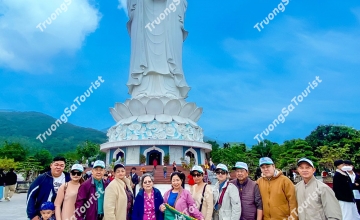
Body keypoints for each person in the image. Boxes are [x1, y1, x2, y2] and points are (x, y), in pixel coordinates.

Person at [126, 0, 190, 99]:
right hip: (143, 9)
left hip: (169, 10)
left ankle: (170, 88)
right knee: (143, 53)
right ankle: (141, 88)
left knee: (168, 55)